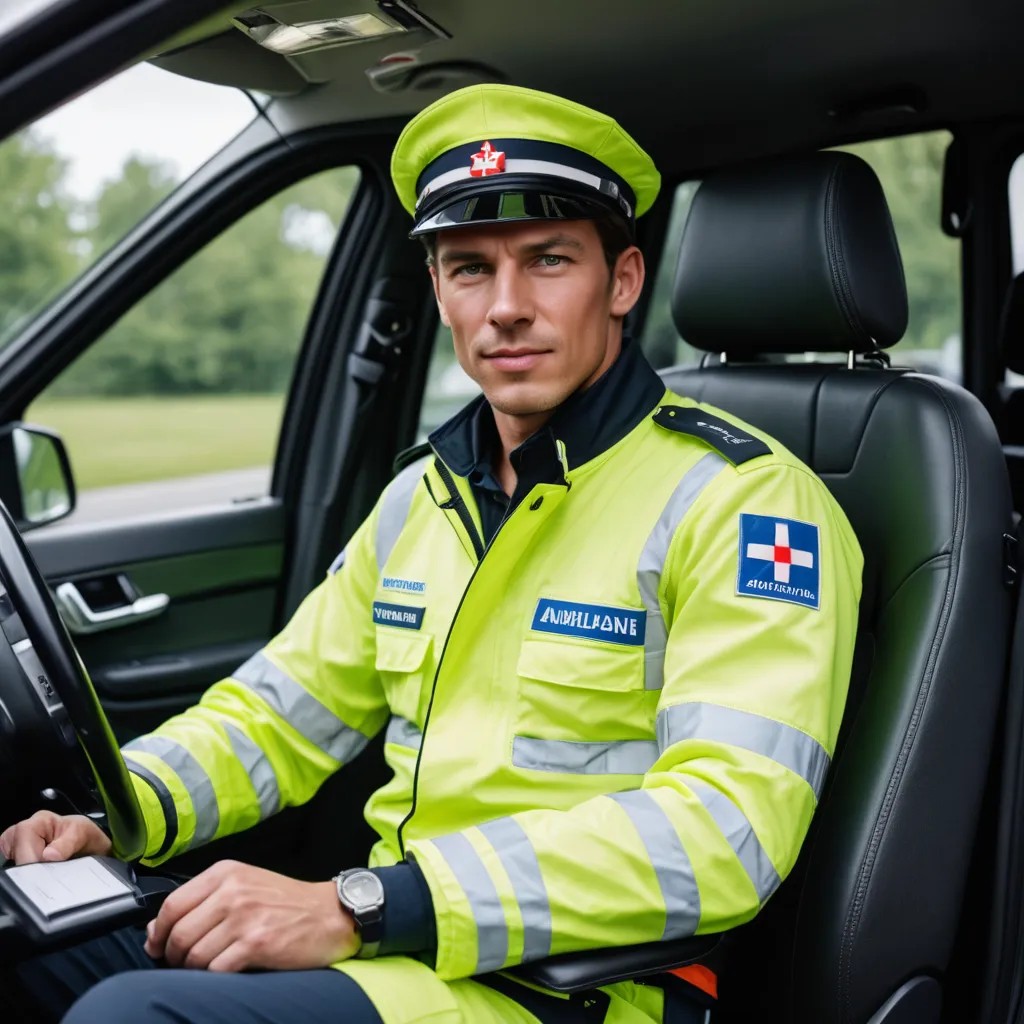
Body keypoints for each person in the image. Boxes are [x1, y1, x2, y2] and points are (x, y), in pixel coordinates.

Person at [2, 83, 863, 1024]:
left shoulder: (750, 505)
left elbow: (723, 831)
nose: (505, 308)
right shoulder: (423, 494)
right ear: (441, 294)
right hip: (393, 955)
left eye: (547, 261)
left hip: (570, 990)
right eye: (467, 269)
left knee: (134, 1018)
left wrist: (361, 905)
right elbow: (276, 715)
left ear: (621, 282)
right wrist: (115, 815)